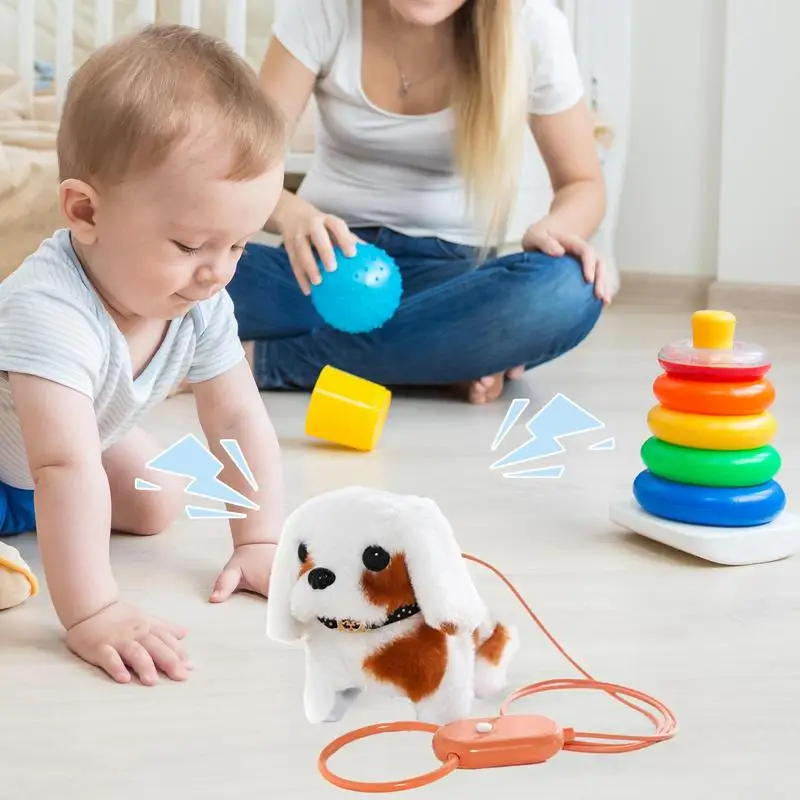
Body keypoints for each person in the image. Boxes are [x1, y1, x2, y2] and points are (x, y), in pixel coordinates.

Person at [0, 25, 286, 685]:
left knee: (158, 501)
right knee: (77, 484)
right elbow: (62, 465)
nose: (217, 272)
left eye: (238, 245)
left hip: (43, 464)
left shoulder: (200, 299)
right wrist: (94, 610)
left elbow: (239, 420)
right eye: (190, 246)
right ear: (85, 212)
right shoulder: (48, 310)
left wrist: (259, 540)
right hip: (31, 459)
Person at [227, 0, 614, 405]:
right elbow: (246, 170)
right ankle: (435, 358)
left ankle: (265, 362)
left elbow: (583, 183)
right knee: (193, 271)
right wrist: (292, 214)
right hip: (327, 268)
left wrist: (556, 227)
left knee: (569, 288)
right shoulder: (323, 11)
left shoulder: (532, 24)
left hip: (453, 283)